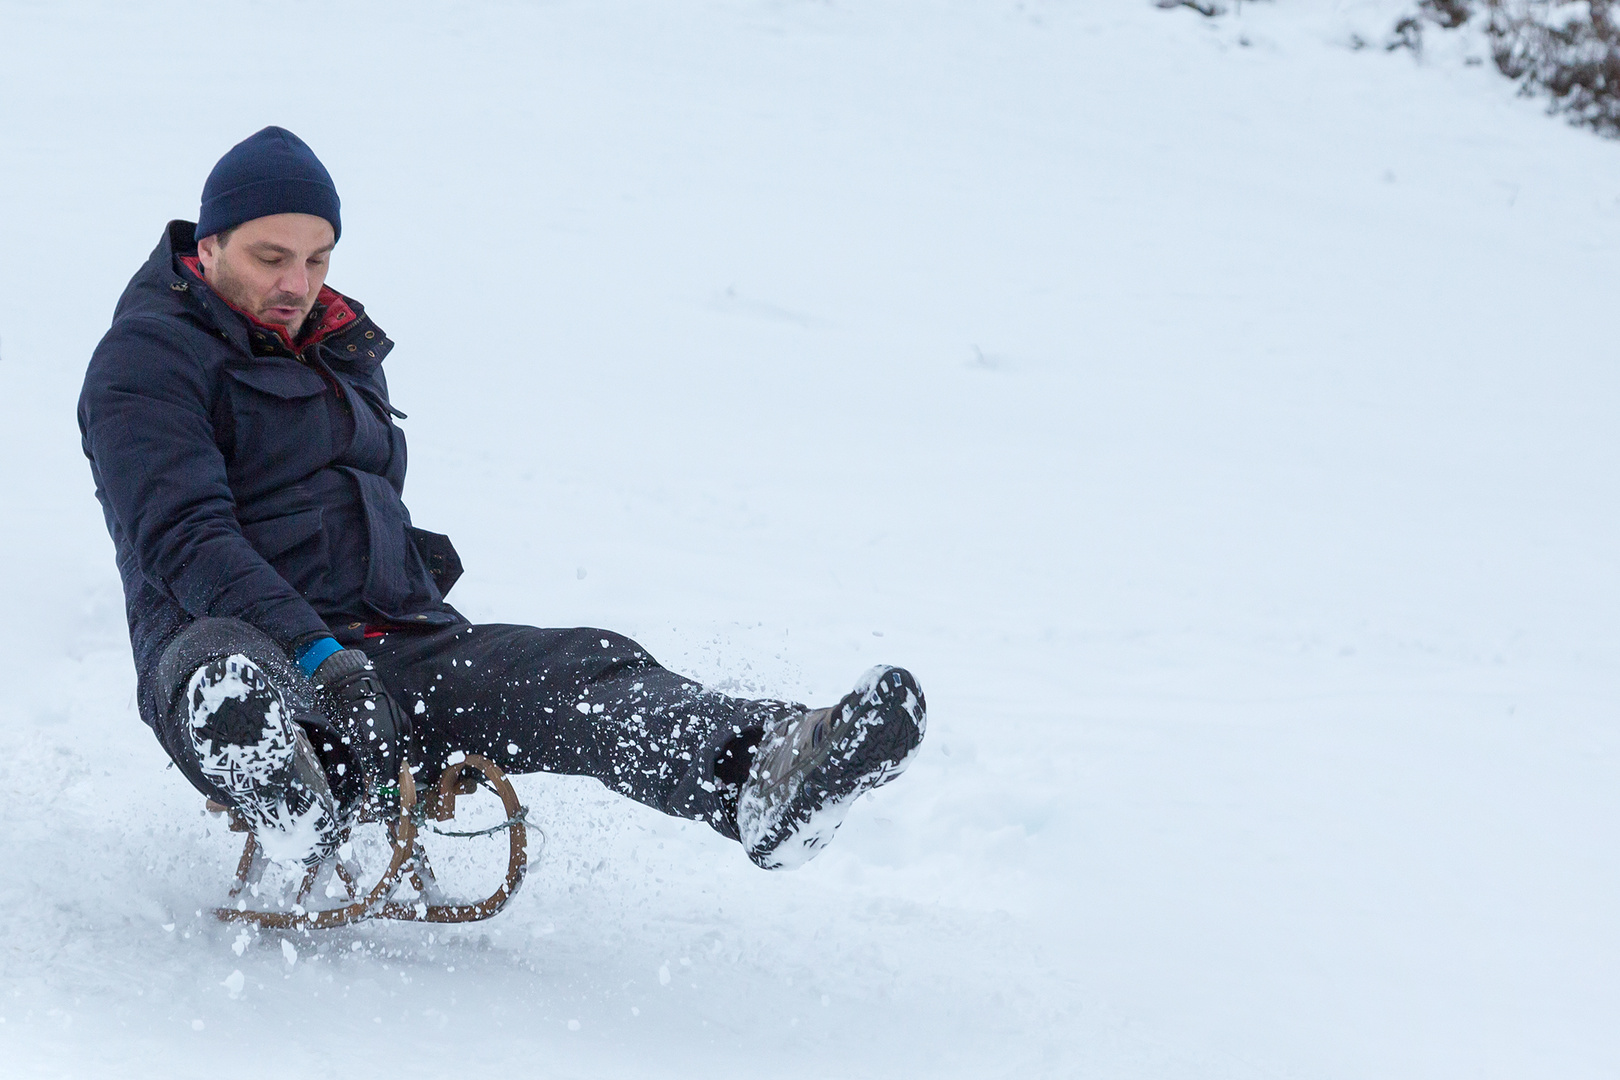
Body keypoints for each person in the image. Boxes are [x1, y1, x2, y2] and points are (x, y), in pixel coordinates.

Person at [78, 126, 924, 874]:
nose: (298, 281)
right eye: (272, 258)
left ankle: (762, 773)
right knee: (226, 667)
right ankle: (286, 780)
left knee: (588, 669)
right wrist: (318, 659)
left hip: (387, 651)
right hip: (238, 649)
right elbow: (184, 539)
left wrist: (399, 627)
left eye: (318, 257)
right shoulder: (147, 359)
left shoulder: (338, 347)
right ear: (212, 243)